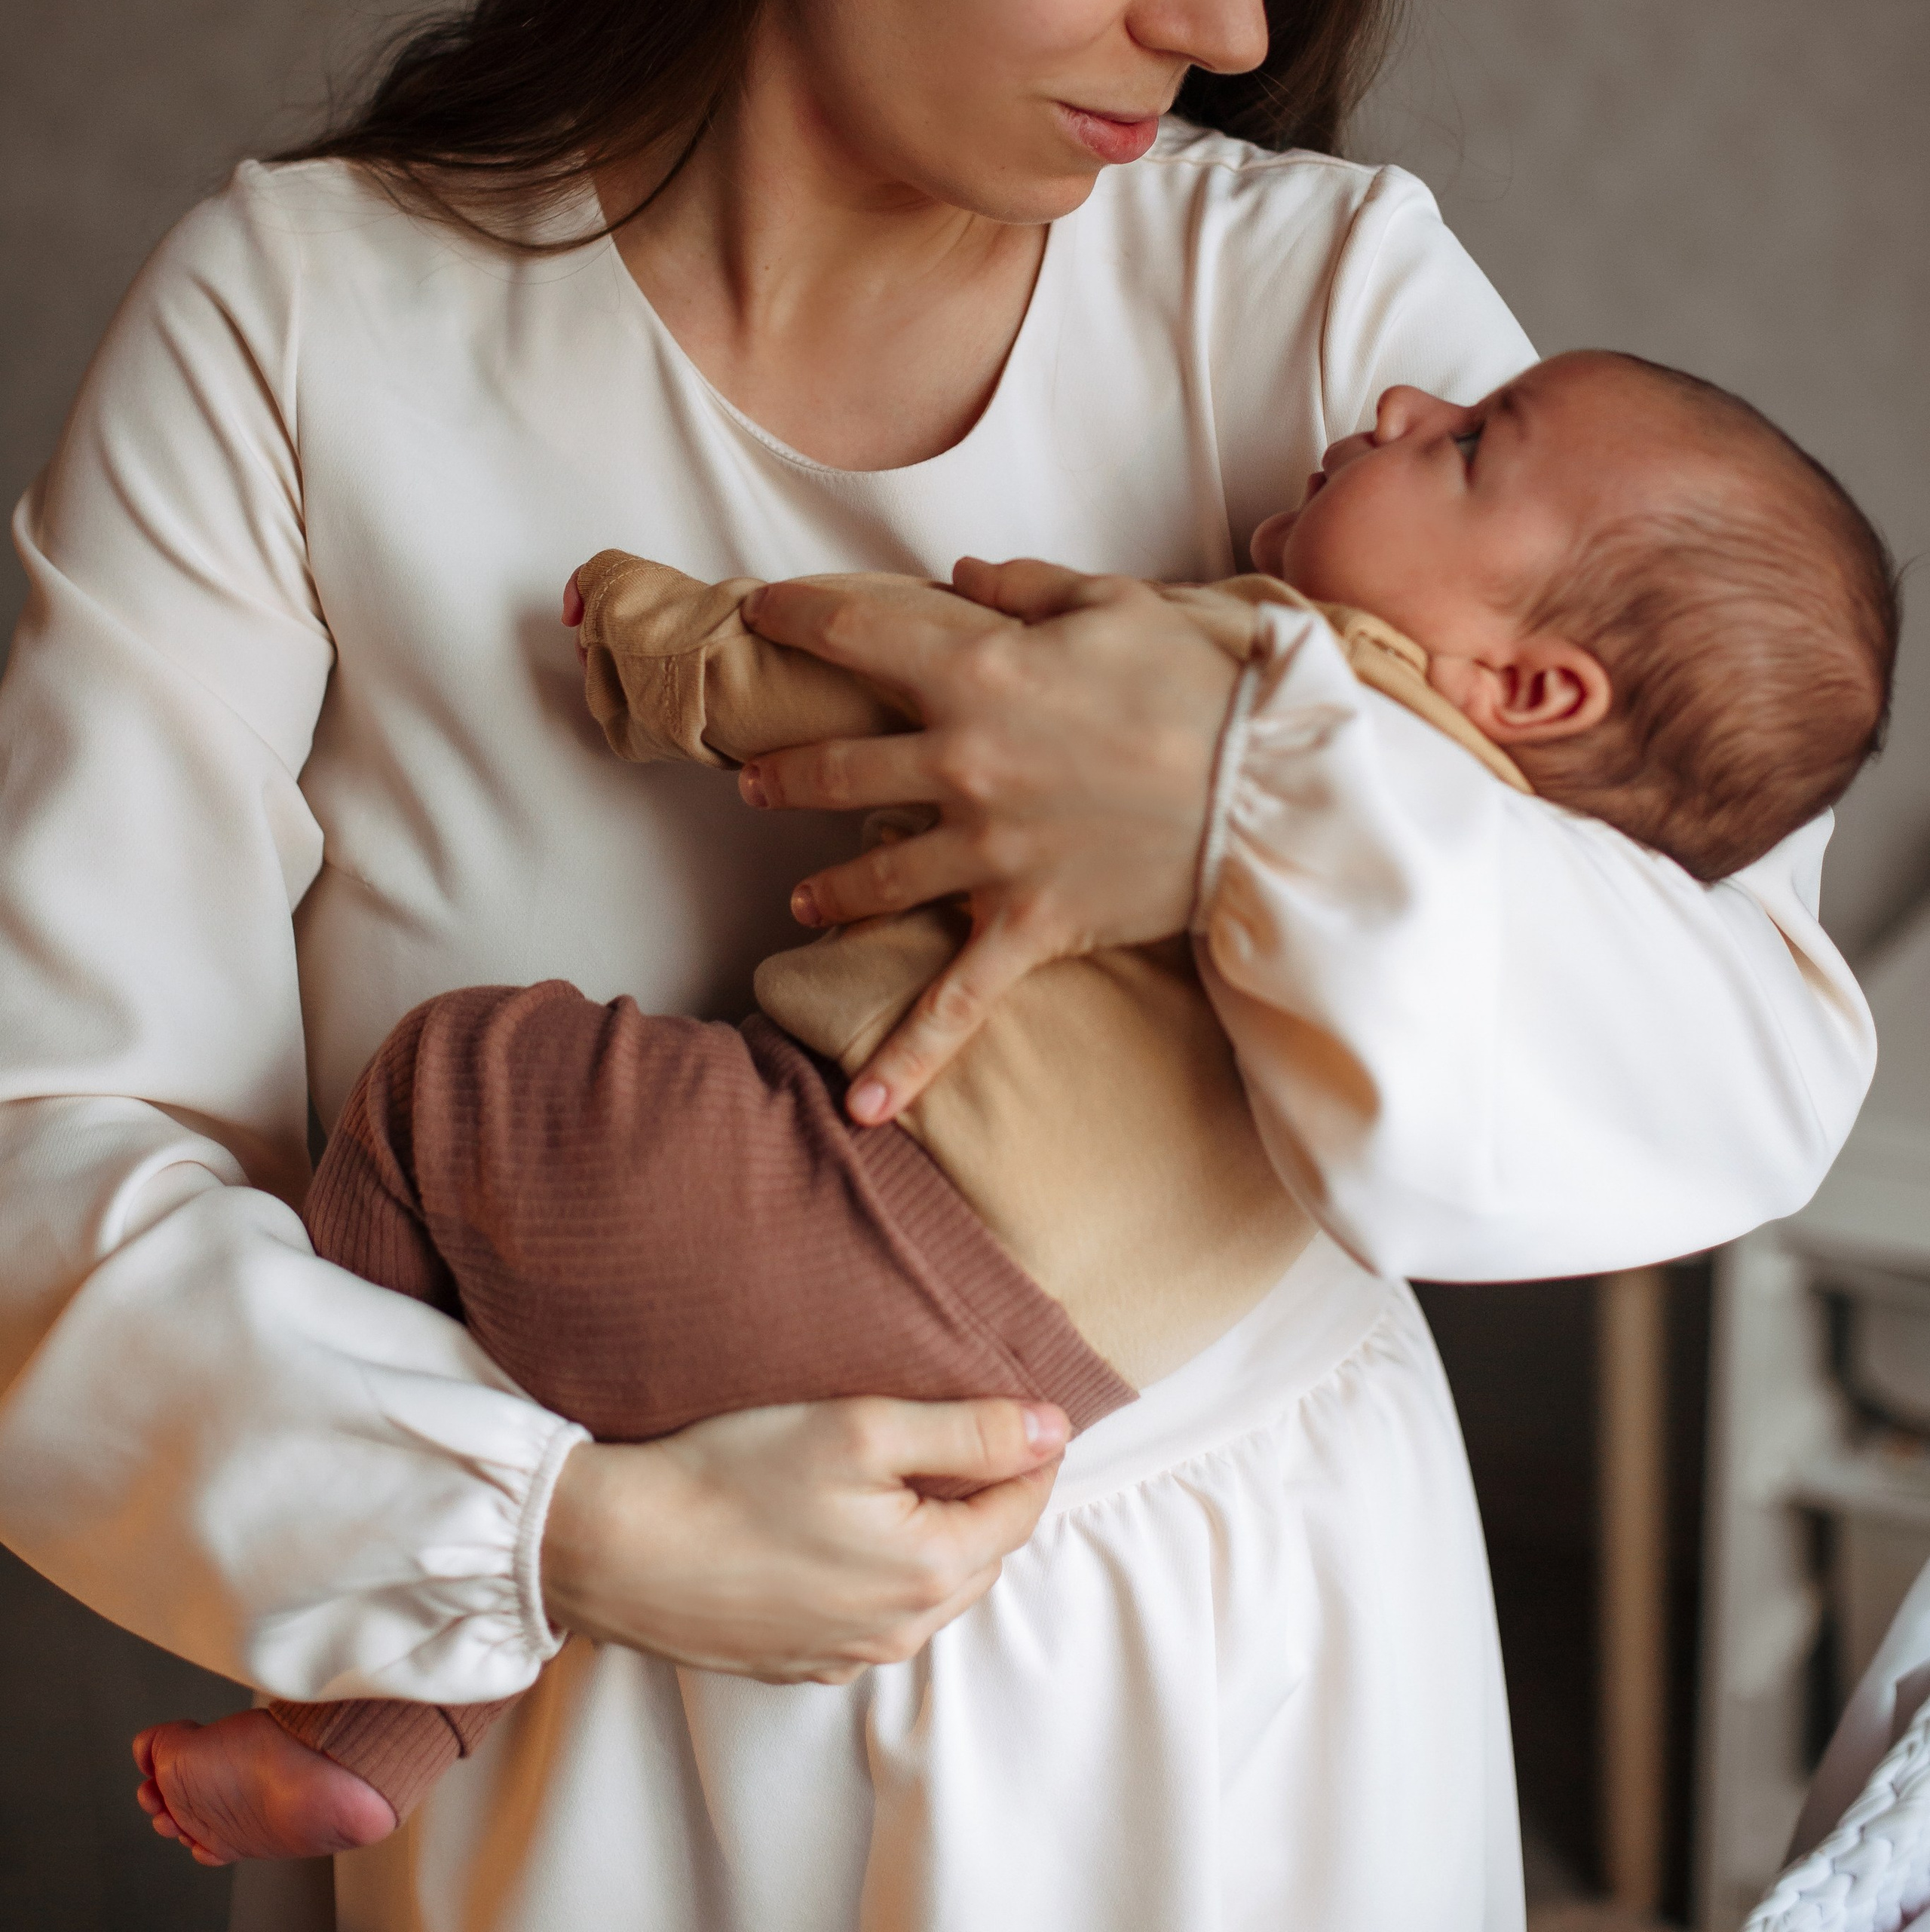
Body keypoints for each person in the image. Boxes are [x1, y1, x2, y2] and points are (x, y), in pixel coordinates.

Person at [0, 0, 1877, 1932]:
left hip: (1260, 1735)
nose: (1230, 18)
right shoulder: (303, 332)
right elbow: (50, 1149)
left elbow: (1736, 1053)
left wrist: (1236, 797)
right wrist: (567, 1538)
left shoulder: (1321, 323)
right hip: (601, 1799)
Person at [130, 345, 1899, 1869]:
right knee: (569, 1325)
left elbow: (928, 681)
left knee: (445, 1093)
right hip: (1052, 1380)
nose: (1403, 395)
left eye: (1463, 445)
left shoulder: (1283, 680)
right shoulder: (1515, 895)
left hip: (851, 1199)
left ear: (1527, 688)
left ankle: (371, 1658)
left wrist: (666, 651)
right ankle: (369, 1736)